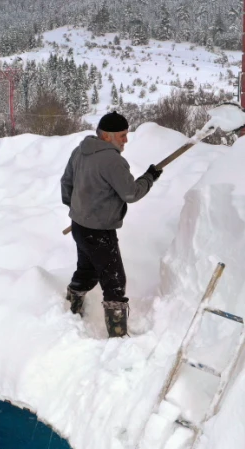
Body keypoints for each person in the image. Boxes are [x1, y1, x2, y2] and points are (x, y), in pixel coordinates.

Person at [61, 112, 162, 338]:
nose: (126, 140)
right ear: (107, 136)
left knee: (87, 271)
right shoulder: (112, 160)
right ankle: (117, 335)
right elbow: (131, 193)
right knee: (114, 282)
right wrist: (149, 177)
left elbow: (66, 183)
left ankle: (71, 310)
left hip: (79, 226)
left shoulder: (80, 151)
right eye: (122, 135)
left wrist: (78, 210)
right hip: (99, 231)